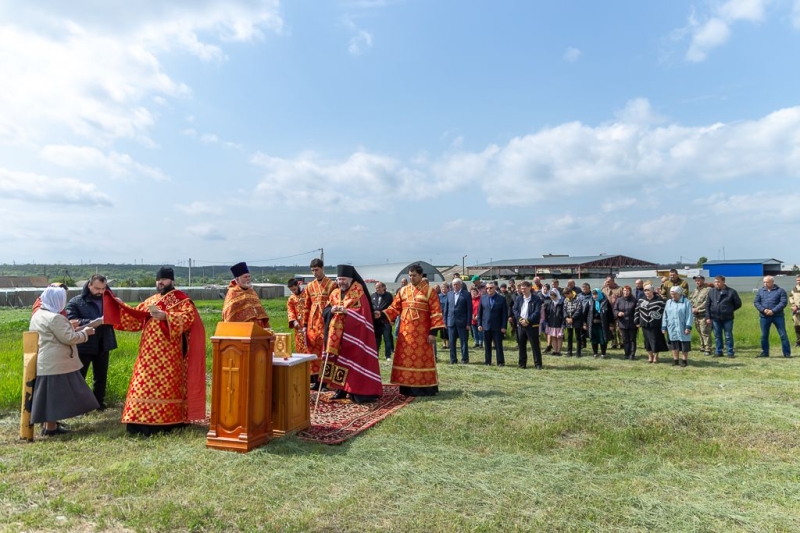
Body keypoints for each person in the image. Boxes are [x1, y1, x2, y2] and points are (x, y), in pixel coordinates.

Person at [106, 266, 205, 436]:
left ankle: (166, 422)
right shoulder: (151, 300)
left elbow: (188, 319)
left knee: (166, 387)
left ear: (172, 281)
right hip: (147, 354)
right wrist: (119, 306)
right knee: (142, 384)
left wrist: (166, 316)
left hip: (169, 355)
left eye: (164, 279)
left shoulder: (181, 300)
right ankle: (138, 422)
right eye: (158, 280)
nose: (160, 282)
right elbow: (136, 318)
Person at [29, 286, 98, 436]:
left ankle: (48, 427)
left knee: (49, 397)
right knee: (55, 398)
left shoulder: (39, 314)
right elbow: (69, 338)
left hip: (47, 361)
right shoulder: (55, 317)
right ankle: (51, 429)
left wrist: (68, 327)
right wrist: (85, 333)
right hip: (58, 363)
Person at [379, 264, 444, 396]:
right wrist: (381, 314)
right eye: (409, 275)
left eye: (414, 275)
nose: (411, 278)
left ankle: (424, 388)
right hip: (405, 334)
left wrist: (433, 333)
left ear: (421, 275)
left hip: (422, 334)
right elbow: (394, 308)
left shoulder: (429, 291)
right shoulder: (403, 291)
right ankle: (406, 387)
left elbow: (436, 312)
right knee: (405, 359)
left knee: (421, 360)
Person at [322, 265, 382, 403]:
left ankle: (357, 391)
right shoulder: (334, 293)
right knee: (338, 362)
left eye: (343, 279)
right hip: (337, 337)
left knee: (352, 363)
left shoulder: (358, 293)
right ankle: (340, 390)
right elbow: (325, 311)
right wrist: (332, 311)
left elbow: (364, 315)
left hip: (355, 336)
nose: (341, 282)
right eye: (339, 279)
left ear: (350, 279)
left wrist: (347, 312)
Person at [66, 274, 117, 410]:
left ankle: (99, 403)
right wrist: (94, 322)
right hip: (84, 344)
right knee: (80, 377)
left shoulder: (109, 300)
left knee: (101, 376)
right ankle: (78, 405)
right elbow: (71, 322)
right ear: (89, 285)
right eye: (97, 288)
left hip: (104, 342)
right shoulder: (76, 302)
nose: (100, 292)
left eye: (103, 288)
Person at [302, 258, 337, 390]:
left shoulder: (332, 284)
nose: (314, 273)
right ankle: (316, 380)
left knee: (325, 352)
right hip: (312, 325)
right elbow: (306, 306)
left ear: (323, 268)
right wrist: (305, 325)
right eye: (312, 271)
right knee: (314, 352)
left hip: (326, 323)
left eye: (317, 270)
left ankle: (326, 381)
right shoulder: (309, 286)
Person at [222, 262, 270, 328]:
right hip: (242, 330)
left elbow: (259, 310)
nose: (248, 278)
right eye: (245, 277)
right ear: (237, 279)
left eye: (249, 276)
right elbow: (229, 315)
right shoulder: (233, 293)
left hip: (259, 330)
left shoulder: (252, 292)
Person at [754, 276, 791, 358]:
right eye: (764, 282)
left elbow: (783, 302)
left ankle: (787, 353)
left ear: (772, 282)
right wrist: (763, 310)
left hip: (778, 316)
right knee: (764, 335)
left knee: (783, 334)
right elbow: (756, 302)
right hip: (764, 316)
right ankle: (765, 352)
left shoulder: (780, 291)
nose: (765, 284)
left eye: (767, 282)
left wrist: (773, 311)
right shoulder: (761, 291)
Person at [705, 275, 742, 358]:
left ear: (723, 282)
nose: (716, 283)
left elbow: (738, 304)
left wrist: (729, 309)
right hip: (715, 318)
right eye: (715, 282)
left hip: (727, 318)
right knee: (717, 336)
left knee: (728, 336)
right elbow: (707, 305)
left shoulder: (731, 292)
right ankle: (718, 351)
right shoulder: (712, 292)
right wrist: (708, 317)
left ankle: (730, 352)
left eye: (718, 282)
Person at [513, 280, 544, 368]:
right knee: (521, 345)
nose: (523, 290)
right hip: (521, 325)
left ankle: (538, 364)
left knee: (535, 346)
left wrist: (528, 321)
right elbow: (515, 310)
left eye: (524, 288)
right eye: (521, 289)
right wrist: (520, 319)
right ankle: (522, 364)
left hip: (532, 326)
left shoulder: (536, 299)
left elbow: (537, 312)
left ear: (530, 288)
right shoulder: (518, 298)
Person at [635, 284, 668, 364]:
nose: (646, 292)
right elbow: (637, 311)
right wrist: (637, 322)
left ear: (652, 291)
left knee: (655, 340)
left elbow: (664, 312)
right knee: (647, 341)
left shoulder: (659, 300)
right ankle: (650, 356)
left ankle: (656, 356)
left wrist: (664, 324)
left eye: (648, 290)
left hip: (655, 324)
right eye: (645, 290)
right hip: (644, 324)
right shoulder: (641, 300)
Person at [477, 281, 508, 366]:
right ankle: (487, 361)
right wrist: (479, 324)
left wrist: (504, 326)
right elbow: (479, 313)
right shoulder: (483, 298)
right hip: (486, 325)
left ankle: (500, 361)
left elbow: (504, 314)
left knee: (498, 345)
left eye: (491, 288)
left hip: (497, 326)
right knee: (487, 345)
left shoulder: (501, 298)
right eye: (487, 288)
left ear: (495, 288)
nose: (489, 290)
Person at [442, 277, 472, 364]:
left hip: (462, 322)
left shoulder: (466, 294)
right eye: (453, 285)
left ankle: (464, 359)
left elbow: (469, 310)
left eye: (456, 284)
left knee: (463, 342)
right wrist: (445, 322)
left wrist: (468, 323)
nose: (454, 286)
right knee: (451, 342)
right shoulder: (449, 294)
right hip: (451, 322)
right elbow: (446, 309)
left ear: (460, 285)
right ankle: (453, 359)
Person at [663, 286, 693, 367]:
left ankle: (684, 360)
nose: (673, 296)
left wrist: (688, 327)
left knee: (684, 344)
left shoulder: (686, 302)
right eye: (671, 294)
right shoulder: (669, 302)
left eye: (674, 294)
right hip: (672, 326)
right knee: (674, 343)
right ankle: (675, 360)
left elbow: (689, 315)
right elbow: (665, 315)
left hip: (682, 326)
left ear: (679, 294)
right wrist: (664, 326)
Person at [614, 285, 639, 360]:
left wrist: (637, 322)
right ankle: (626, 353)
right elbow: (615, 309)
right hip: (623, 323)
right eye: (624, 290)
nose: (625, 292)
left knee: (632, 339)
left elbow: (637, 311)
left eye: (627, 291)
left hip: (632, 323)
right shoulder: (619, 300)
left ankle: (632, 354)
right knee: (625, 339)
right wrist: (618, 313)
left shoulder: (634, 300)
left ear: (630, 292)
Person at [689, 275, 712, 356]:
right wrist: (691, 307)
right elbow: (691, 299)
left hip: (703, 313)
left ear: (703, 280)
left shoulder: (708, 290)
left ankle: (708, 348)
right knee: (699, 331)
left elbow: (706, 302)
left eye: (698, 280)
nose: (697, 282)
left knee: (705, 331)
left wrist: (697, 308)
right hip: (696, 314)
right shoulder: (695, 290)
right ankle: (702, 345)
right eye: (696, 280)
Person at [371, 281, 394, 361]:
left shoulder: (389, 296)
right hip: (376, 321)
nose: (377, 289)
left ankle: (388, 356)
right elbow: (370, 306)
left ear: (383, 287)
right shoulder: (373, 296)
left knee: (387, 338)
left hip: (385, 321)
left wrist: (392, 319)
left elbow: (392, 308)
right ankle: (375, 355)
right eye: (376, 287)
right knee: (376, 339)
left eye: (379, 287)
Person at [586, 288, 613, 358]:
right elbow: (586, 312)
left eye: (596, 295)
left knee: (603, 339)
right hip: (593, 324)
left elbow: (610, 314)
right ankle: (595, 353)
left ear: (599, 294)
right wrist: (584, 323)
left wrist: (611, 324)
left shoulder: (605, 302)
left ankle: (603, 353)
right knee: (593, 339)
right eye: (593, 295)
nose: (595, 296)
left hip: (602, 324)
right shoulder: (590, 302)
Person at [286, 278, 308, 354]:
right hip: (298, 325)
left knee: (310, 344)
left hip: (308, 323)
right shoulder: (291, 299)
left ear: (298, 285)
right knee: (300, 345)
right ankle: (301, 364)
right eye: (291, 290)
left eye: (294, 289)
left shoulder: (307, 294)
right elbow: (290, 311)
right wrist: (294, 321)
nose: (293, 291)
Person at [602, 276, 623, 349]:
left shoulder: (620, 289)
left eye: (609, 282)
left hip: (618, 311)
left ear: (613, 281)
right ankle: (614, 343)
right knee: (611, 328)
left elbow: (623, 300)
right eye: (606, 281)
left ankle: (622, 343)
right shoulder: (604, 289)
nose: (607, 283)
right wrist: (603, 286)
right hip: (608, 312)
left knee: (619, 328)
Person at [543, 289, 565, 356]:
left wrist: (563, 322)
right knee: (553, 337)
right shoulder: (550, 303)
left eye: (554, 296)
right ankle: (555, 350)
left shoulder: (561, 303)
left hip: (559, 323)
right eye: (551, 295)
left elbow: (563, 313)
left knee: (559, 337)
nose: (552, 297)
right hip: (551, 322)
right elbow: (547, 312)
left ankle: (558, 351)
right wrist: (547, 320)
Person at [562, 288, 584, 357]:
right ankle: (569, 352)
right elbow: (564, 309)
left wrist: (572, 318)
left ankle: (578, 352)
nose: (566, 297)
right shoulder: (566, 300)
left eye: (567, 295)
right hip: (568, 320)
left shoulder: (578, 298)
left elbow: (579, 309)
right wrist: (566, 317)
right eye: (565, 296)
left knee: (578, 336)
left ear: (570, 293)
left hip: (576, 320)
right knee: (569, 336)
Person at [789, 275, 800, 347]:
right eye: (797, 280)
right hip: (796, 310)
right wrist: (793, 305)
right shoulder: (794, 289)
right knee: (797, 326)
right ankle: (799, 341)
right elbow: (791, 297)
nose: (798, 281)